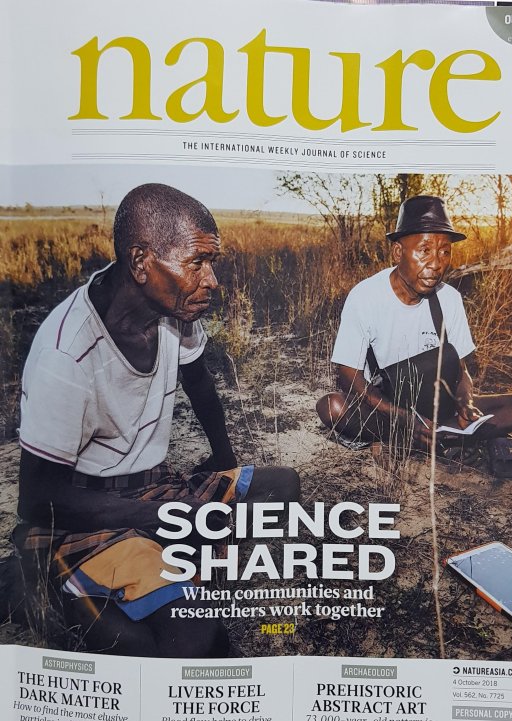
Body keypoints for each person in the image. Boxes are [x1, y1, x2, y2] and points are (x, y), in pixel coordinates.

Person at [14, 183, 300, 658]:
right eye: (196, 263)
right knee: (196, 639)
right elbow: (37, 498)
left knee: (282, 487)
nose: (211, 280)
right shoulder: (66, 353)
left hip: (154, 485)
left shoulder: (176, 312)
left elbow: (200, 382)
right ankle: (52, 592)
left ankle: (155, 569)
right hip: (87, 509)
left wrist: (220, 465)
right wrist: (167, 517)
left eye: (212, 264)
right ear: (142, 261)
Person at [317, 195, 512, 478]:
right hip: (390, 408)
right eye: (424, 250)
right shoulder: (365, 297)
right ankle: (445, 438)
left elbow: (462, 371)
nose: (436, 263)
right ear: (398, 253)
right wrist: (402, 418)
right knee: (332, 407)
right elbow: (349, 377)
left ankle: (428, 439)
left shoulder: (450, 299)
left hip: (439, 406)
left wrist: (464, 401)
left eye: (445, 252)